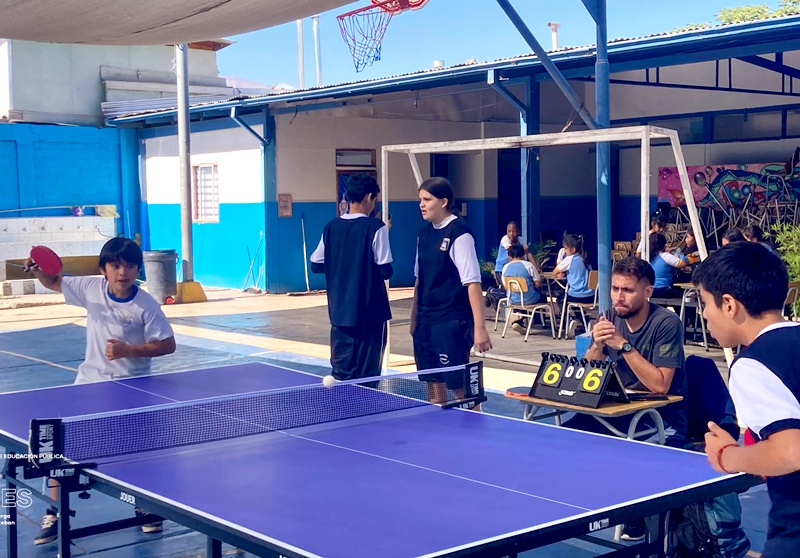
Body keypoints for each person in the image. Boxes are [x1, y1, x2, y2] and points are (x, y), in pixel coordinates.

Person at [26, 237, 176, 544]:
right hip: (89, 384)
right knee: (59, 446)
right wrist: (39, 270)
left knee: (139, 453)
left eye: (130, 266)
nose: (123, 272)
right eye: (116, 266)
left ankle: (146, 508)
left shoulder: (145, 304)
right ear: (103, 269)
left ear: (138, 269)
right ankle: (56, 512)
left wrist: (129, 350)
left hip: (133, 388)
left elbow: (168, 344)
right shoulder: (89, 288)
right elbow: (54, 281)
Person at [694, 242, 800, 558]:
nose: (704, 314)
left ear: (729, 304)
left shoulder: (752, 365)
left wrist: (726, 455)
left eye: (705, 303)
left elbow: (790, 452)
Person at [579, 256, 688, 541]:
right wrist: (597, 345)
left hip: (660, 415)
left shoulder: (666, 323)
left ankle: (635, 515)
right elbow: (586, 375)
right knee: (567, 436)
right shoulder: (609, 315)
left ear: (647, 292)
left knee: (626, 452)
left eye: (627, 290)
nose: (619, 297)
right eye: (615, 289)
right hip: (618, 408)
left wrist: (623, 346)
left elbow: (660, 385)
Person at [411, 177, 492, 403]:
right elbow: (419, 280)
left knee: (459, 389)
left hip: (451, 322)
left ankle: (472, 422)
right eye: (420, 199)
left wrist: (480, 328)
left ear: (444, 201)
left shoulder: (460, 234)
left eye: (427, 199)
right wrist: (414, 320)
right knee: (434, 386)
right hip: (425, 322)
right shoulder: (423, 234)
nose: (421, 204)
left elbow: (473, 283)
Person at [310, 173, 393, 382]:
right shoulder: (376, 227)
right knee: (367, 377)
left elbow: (316, 264)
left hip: (340, 314)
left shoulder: (331, 227)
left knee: (341, 375)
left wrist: (342, 266)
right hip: (371, 315)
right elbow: (386, 270)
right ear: (369, 197)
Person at [501, 243, 542, 334]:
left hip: (512, 300)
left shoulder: (505, 267)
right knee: (541, 297)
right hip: (529, 299)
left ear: (509, 257)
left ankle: (520, 321)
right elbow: (538, 283)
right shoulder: (529, 265)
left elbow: (505, 286)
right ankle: (537, 321)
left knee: (520, 298)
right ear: (523, 255)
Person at [553, 233, 594, 304]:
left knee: (560, 299)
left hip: (577, 295)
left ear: (573, 249)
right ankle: (578, 311)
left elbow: (554, 272)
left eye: (565, 248)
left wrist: (562, 273)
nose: (564, 250)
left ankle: (569, 311)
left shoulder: (569, 259)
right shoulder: (585, 258)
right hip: (591, 296)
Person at [649, 232, 688, 298]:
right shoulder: (665, 256)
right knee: (684, 293)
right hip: (664, 289)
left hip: (652, 290)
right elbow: (683, 264)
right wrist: (675, 253)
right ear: (664, 245)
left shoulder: (647, 256)